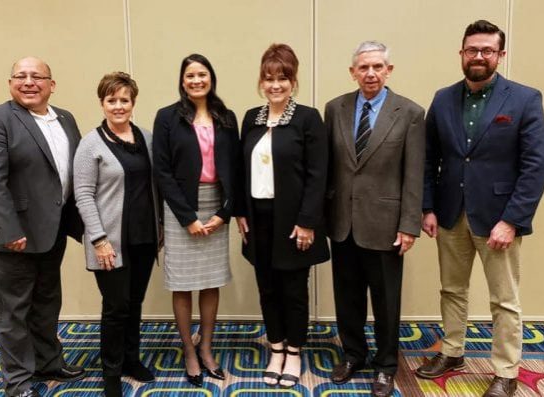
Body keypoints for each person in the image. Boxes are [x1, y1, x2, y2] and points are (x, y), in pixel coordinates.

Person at [415, 20, 544, 397]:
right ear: (461, 53)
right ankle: (452, 351)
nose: (479, 56)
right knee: (452, 290)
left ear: (500, 55)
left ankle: (506, 370)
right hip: (450, 212)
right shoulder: (442, 99)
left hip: (498, 219)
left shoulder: (524, 99)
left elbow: (535, 166)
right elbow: (429, 160)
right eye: (472, 49)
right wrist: (428, 207)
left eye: (487, 50)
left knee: (504, 300)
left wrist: (512, 220)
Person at [0, 57, 85, 397]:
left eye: (37, 76)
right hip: (13, 236)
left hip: (51, 231)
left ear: (51, 85)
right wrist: (9, 230)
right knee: (12, 312)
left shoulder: (65, 118)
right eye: (20, 76)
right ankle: (18, 382)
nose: (28, 82)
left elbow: (72, 174)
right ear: (10, 82)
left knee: (46, 302)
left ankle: (48, 361)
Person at [324, 41, 425, 396]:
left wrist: (409, 224)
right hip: (342, 222)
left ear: (389, 70)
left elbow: (414, 173)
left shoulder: (410, 113)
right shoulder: (334, 108)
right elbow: (331, 168)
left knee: (386, 301)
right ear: (353, 72)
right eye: (364, 67)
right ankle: (353, 354)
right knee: (347, 296)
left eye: (378, 67)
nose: (371, 73)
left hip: (386, 225)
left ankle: (385, 365)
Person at [235, 43, 329, 389]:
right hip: (257, 218)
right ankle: (275, 347)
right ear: (261, 80)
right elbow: (240, 169)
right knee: (267, 286)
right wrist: (240, 213)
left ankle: (294, 350)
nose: (275, 85)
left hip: (293, 219)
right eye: (269, 78)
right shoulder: (251, 118)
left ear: (293, 80)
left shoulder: (307, 117)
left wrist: (307, 222)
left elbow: (319, 175)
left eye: (283, 78)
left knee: (293, 289)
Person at [153, 54, 239, 387]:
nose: (196, 80)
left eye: (202, 74)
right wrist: (187, 218)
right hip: (180, 209)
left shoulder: (226, 117)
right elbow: (161, 171)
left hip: (217, 204)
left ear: (211, 77)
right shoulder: (167, 118)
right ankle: (188, 350)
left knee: (210, 279)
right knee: (182, 282)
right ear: (182, 80)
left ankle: (206, 348)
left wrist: (224, 213)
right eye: (190, 75)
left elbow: (235, 168)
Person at [73, 72, 162, 396]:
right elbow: (82, 194)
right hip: (109, 242)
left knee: (134, 303)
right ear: (102, 103)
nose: (118, 105)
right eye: (112, 100)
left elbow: (154, 186)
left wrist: (161, 228)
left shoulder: (146, 138)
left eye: (124, 99)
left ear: (133, 103)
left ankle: (130, 360)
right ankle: (111, 373)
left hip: (144, 237)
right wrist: (98, 239)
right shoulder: (91, 143)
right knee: (115, 307)